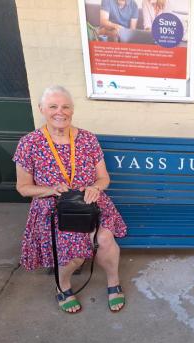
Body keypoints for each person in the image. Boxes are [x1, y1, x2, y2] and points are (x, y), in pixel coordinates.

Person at [13, 85, 128, 314]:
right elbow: (23, 188)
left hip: (90, 204)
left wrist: (95, 187)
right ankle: (62, 285)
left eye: (66, 107)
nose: (60, 112)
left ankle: (113, 283)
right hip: (54, 210)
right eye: (53, 106)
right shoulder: (30, 143)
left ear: (72, 110)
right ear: (42, 109)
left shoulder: (88, 139)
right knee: (74, 254)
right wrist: (50, 189)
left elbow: (104, 178)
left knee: (105, 240)